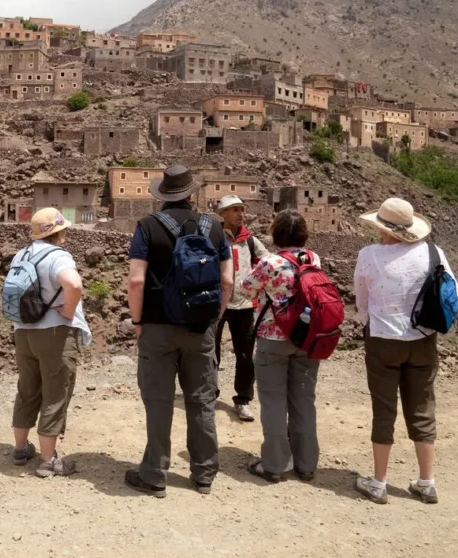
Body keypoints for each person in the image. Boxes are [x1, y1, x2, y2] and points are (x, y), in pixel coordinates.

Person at [124, 166, 234, 498]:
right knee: (200, 400)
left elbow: (135, 280)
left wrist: (138, 321)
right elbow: (228, 281)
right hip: (200, 327)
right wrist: (215, 319)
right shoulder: (214, 227)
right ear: (191, 193)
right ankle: (203, 474)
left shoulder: (147, 227)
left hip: (157, 327)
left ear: (162, 195)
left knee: (158, 401)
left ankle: (155, 474)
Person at [353, 198, 458, 505]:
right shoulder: (433, 252)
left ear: (383, 228)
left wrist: (373, 324)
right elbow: (453, 295)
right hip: (424, 339)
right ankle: (426, 482)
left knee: (384, 409)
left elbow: (361, 301)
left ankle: (379, 482)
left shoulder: (369, 255)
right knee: (423, 407)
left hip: (382, 339)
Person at [9, 207, 91, 478]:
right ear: (58, 232)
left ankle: (20, 450)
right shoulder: (57, 256)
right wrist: (68, 312)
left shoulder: (22, 254)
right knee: (55, 393)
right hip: (54, 333)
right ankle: (47, 460)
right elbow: (74, 285)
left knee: (28, 390)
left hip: (23, 332)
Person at [241, 210, 321, 483]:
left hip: (273, 339)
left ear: (276, 234)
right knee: (304, 401)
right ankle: (306, 464)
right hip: (308, 338)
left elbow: (247, 290)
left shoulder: (269, 262)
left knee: (274, 400)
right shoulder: (312, 258)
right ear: (304, 234)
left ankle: (274, 465)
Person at [215, 195, 269, 422]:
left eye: (242, 209)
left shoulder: (250, 241)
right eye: (235, 209)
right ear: (223, 213)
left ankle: (243, 400)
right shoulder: (214, 237)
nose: (240, 214)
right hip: (217, 303)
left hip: (245, 305)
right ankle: (209, 394)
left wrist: (255, 284)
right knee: (210, 352)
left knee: (246, 355)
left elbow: (268, 262)